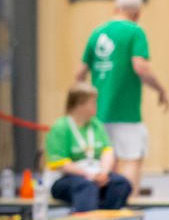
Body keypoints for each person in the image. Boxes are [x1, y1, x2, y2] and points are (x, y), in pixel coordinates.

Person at [75, 0, 169, 200]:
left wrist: (78, 107)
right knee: (132, 158)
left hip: (97, 112)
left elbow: (80, 74)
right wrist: (161, 90)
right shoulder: (134, 31)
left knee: (108, 160)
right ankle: (127, 210)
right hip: (126, 111)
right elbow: (141, 67)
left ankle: (107, 211)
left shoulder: (97, 33)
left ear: (115, 8)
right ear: (137, 13)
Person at [45, 83, 132, 212]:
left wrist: (104, 172)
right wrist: (90, 175)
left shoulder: (95, 125)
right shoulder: (61, 127)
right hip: (68, 178)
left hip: (96, 173)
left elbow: (107, 151)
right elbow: (60, 164)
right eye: (93, 102)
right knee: (86, 186)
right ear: (80, 104)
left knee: (120, 183)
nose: (96, 106)